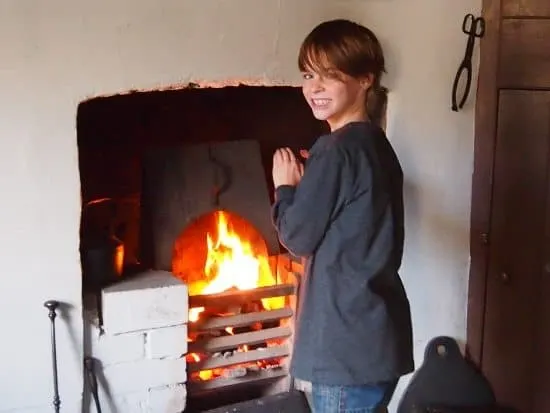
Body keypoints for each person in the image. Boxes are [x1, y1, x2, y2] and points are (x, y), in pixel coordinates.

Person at [271, 19, 414, 413]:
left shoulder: (336, 150)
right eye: (307, 75)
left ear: (365, 79)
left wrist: (286, 189)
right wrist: (314, 182)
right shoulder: (376, 144)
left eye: (330, 76)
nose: (313, 88)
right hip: (378, 337)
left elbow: (297, 237)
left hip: (343, 346)